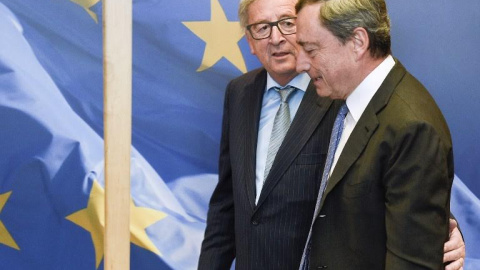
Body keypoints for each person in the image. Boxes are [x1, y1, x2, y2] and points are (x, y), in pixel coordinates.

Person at [198, 0, 465, 269]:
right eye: (262, 27)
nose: (276, 38)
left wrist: (446, 233)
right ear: (250, 40)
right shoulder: (238, 93)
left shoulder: (343, 95)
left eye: (287, 24)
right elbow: (226, 204)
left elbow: (399, 183)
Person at [294, 0, 460, 269]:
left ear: (358, 42)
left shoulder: (413, 128)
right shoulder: (336, 96)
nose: (300, 64)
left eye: (311, 50)